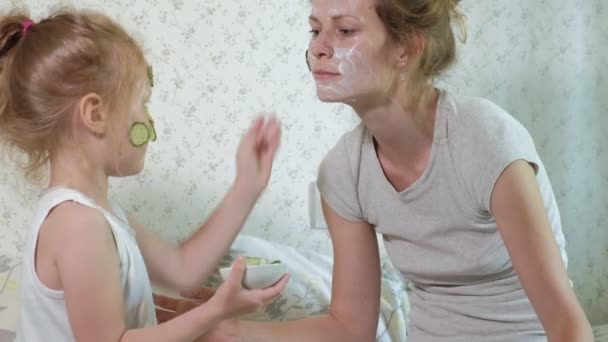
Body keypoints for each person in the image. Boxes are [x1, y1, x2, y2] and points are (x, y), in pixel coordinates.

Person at [199, 0, 593, 341]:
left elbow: (566, 323)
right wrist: (235, 332)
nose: (319, 48)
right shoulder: (342, 173)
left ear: (405, 48)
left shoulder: (485, 141)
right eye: (315, 30)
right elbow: (349, 328)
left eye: (345, 30)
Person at [0, 8, 287, 342]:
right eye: (142, 103)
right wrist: (214, 313)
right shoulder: (78, 226)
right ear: (96, 114)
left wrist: (246, 186)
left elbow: (183, 269)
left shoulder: (100, 215)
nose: (149, 121)